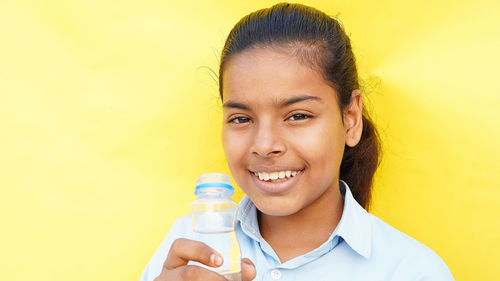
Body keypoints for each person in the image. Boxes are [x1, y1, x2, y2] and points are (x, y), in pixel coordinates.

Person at [140, 2, 455, 280]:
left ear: (351, 119)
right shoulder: (187, 248)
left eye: (298, 115)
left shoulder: (412, 271)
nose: (264, 145)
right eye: (241, 118)